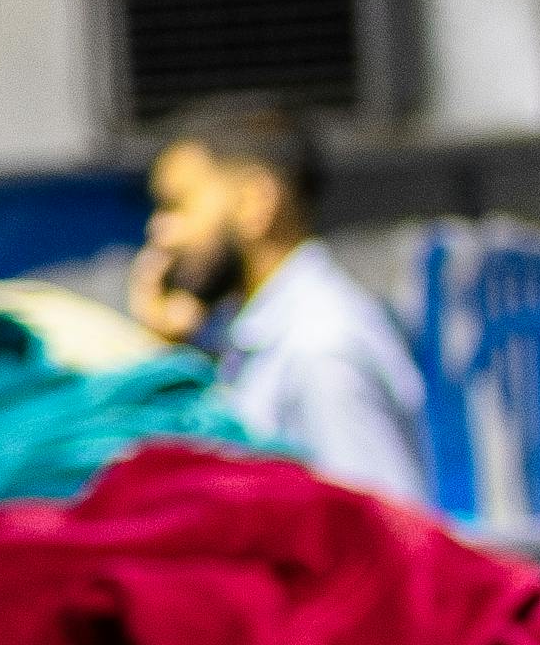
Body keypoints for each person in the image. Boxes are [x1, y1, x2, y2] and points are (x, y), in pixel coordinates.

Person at [125, 103, 430, 504]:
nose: (160, 232)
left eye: (177, 206)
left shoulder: (320, 349)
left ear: (255, 202)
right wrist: (169, 351)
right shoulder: (251, 339)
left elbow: (379, 543)